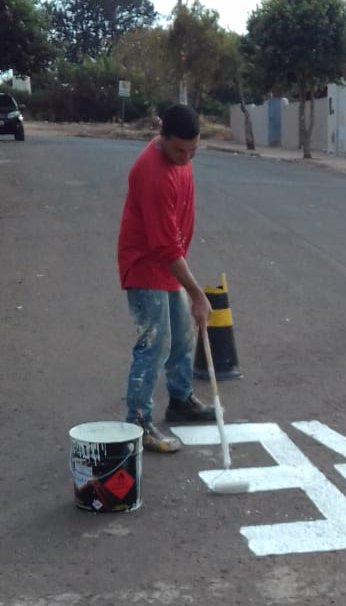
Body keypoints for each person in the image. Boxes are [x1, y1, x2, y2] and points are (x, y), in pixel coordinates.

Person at [117, 104, 215, 453]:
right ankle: (139, 423)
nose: (186, 158)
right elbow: (164, 246)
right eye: (179, 150)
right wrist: (199, 294)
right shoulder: (151, 173)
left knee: (182, 337)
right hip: (147, 266)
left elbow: (172, 244)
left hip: (168, 263)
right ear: (162, 137)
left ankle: (180, 399)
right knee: (154, 344)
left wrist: (189, 289)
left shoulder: (180, 158)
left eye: (193, 151)